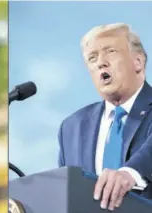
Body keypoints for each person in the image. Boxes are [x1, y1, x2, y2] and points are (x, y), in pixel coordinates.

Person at [58, 23, 152, 211]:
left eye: (110, 51)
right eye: (92, 58)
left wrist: (129, 173)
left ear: (138, 62)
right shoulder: (71, 128)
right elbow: (64, 189)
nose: (101, 62)